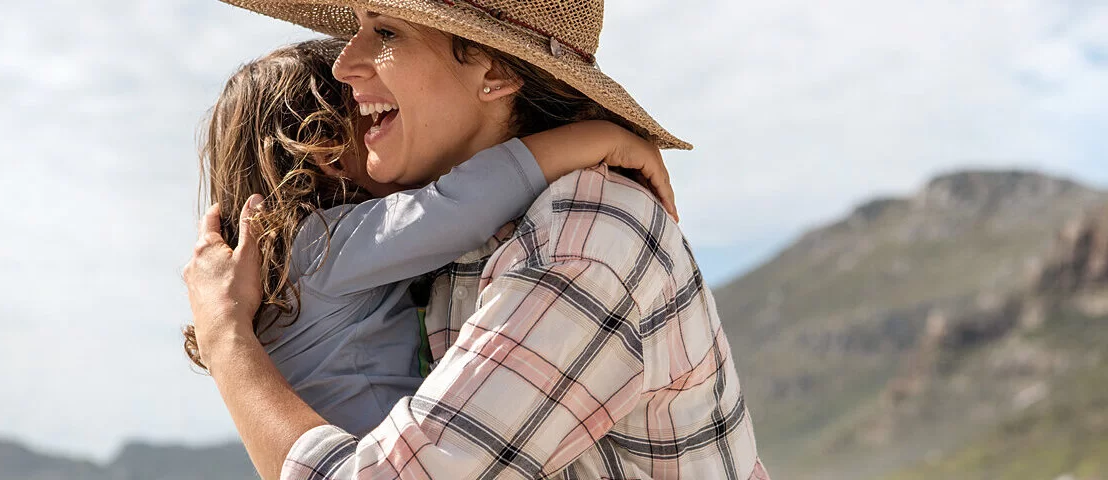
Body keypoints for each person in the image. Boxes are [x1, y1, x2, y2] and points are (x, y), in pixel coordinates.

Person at [183, 1, 770, 478]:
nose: (345, 65)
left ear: (494, 72)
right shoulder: (459, 245)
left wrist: (228, 339)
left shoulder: (580, 241)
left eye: (384, 30)